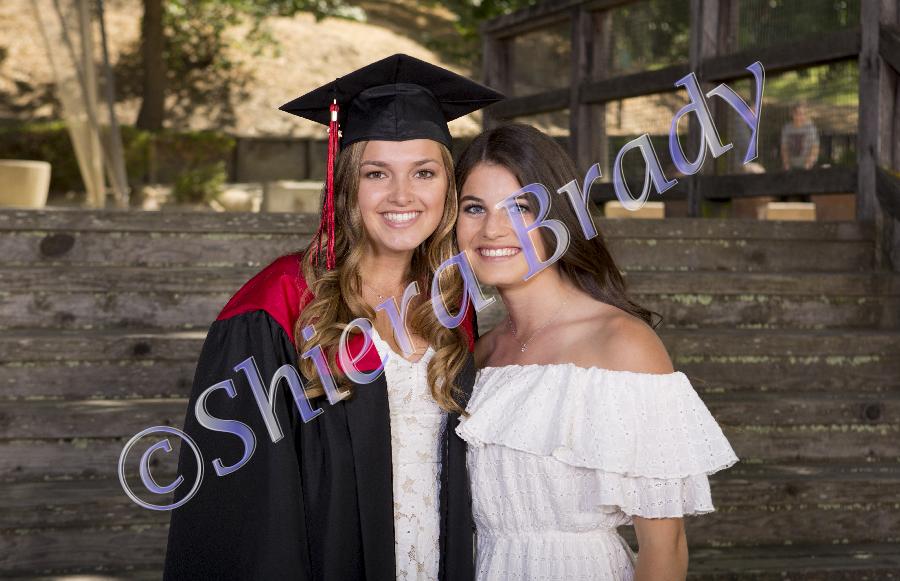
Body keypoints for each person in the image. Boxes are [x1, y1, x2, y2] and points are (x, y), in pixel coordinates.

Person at [162, 54, 503, 580]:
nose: (402, 195)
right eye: (376, 174)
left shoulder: (450, 304)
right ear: (345, 185)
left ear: (447, 188)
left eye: (424, 172)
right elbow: (244, 502)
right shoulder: (280, 301)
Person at [452, 123, 738, 581]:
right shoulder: (481, 354)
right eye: (474, 208)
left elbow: (665, 548)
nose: (493, 229)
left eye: (520, 207)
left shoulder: (621, 344)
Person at [779, 103, 819, 202]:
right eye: (798, 113)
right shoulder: (787, 128)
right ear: (792, 114)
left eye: (803, 114)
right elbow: (784, 148)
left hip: (806, 167)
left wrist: (809, 164)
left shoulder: (810, 128)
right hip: (791, 167)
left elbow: (814, 148)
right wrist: (786, 164)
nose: (800, 116)